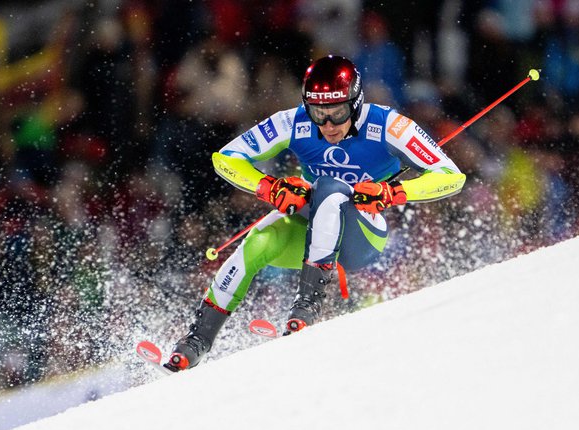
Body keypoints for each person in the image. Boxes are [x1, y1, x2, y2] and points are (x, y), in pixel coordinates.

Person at [164, 55, 466, 371]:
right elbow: (226, 158)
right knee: (258, 242)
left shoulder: (389, 125)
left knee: (331, 188)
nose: (328, 126)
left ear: (357, 103)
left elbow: (450, 176)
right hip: (312, 228)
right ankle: (195, 343)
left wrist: (394, 192)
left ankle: (307, 307)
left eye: (337, 114)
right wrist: (270, 187)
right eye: (319, 114)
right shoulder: (293, 122)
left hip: (362, 235)